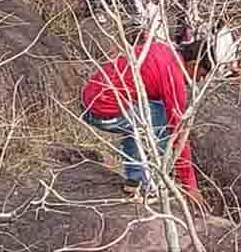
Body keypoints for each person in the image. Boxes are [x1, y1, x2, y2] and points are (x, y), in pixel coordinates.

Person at [80, 28, 207, 201]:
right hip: (101, 110)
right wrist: (190, 185)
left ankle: (135, 179)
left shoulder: (162, 49)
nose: (199, 80)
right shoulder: (173, 76)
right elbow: (178, 133)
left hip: (89, 99)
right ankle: (150, 185)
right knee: (161, 118)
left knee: (150, 111)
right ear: (193, 64)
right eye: (202, 74)